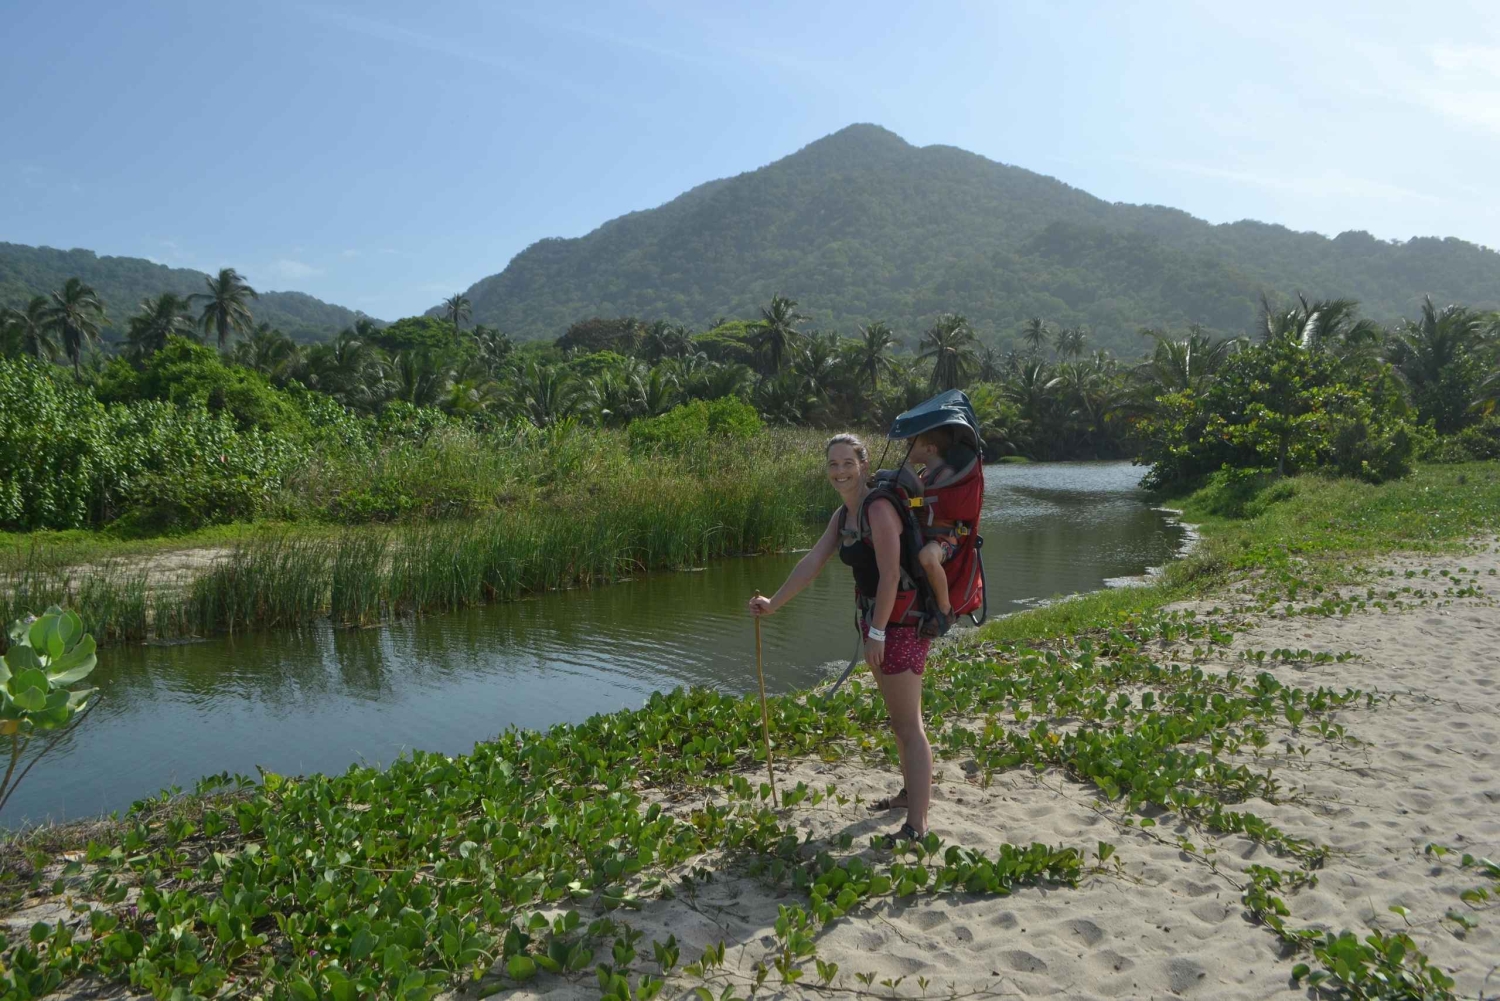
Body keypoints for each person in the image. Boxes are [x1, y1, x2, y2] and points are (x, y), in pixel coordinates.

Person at [747, 433, 932, 845]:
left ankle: (917, 825)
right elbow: (813, 561)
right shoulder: (843, 516)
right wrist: (774, 603)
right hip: (877, 623)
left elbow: (888, 576)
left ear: (864, 465)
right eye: (833, 464)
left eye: (848, 462)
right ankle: (908, 797)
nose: (840, 471)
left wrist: (879, 632)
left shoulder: (879, 510)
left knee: (908, 725)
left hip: (900, 624)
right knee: (900, 722)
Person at [906, 428, 960, 629]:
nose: (906, 448)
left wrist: (908, 473)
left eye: (911, 444)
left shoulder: (946, 474)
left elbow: (925, 496)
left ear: (930, 448)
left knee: (927, 557)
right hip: (919, 534)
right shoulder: (922, 473)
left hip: (943, 540)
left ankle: (945, 610)